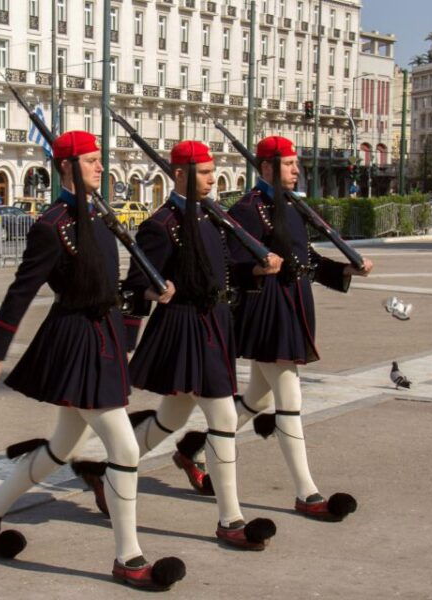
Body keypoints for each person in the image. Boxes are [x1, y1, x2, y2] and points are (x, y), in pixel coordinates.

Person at [0, 131, 186, 591]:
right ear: (66, 167)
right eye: (90, 161)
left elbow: (112, 287)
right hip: (75, 341)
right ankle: (128, 558)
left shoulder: (103, 217)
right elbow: (21, 290)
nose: (99, 167)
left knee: (62, 446)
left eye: (98, 160)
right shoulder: (52, 224)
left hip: (102, 336)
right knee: (124, 450)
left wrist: (147, 291)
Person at [70, 141, 284, 551]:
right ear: (181, 175)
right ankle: (230, 520)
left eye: (213, 171)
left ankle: (103, 471)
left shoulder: (213, 215)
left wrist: (256, 268)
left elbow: (225, 271)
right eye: (205, 172)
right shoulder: (161, 224)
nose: (212, 177)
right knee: (223, 418)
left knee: (171, 416)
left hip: (215, 324)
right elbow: (134, 286)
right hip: (185, 328)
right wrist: (139, 319)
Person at [183, 136, 373, 522]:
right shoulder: (248, 210)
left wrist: (346, 269)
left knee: (258, 397)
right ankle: (306, 492)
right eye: (288, 164)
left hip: (295, 306)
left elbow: (308, 260)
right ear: (266, 167)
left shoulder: (292, 205)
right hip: (268, 311)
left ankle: (192, 450)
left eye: (295, 163)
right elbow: (229, 266)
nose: (296, 169)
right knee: (290, 399)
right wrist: (256, 268)